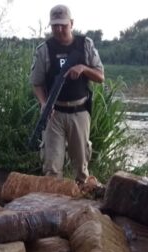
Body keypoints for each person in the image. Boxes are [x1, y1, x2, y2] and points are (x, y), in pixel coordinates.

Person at [29, 4, 105, 184]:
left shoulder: (85, 45)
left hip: (80, 112)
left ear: (71, 23)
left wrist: (84, 68)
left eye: (63, 25)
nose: (59, 29)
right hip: (54, 114)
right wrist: (43, 103)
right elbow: (36, 83)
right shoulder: (44, 50)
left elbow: (101, 77)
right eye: (55, 25)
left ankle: (84, 206)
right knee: (52, 170)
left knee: (81, 169)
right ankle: (52, 207)